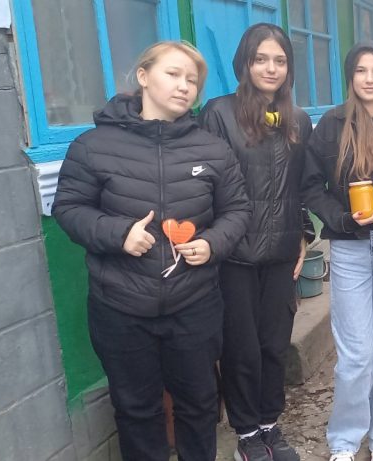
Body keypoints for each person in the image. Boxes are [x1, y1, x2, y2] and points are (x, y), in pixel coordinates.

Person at [52, 41, 250, 461]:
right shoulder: (94, 146)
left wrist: (212, 243)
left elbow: (237, 209)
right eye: (173, 74)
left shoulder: (212, 148)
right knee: (136, 409)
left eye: (192, 80)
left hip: (194, 303)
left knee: (198, 404)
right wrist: (118, 233)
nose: (184, 87)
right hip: (120, 307)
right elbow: (68, 208)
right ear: (143, 77)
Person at [197, 23, 312, 461]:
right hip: (235, 256)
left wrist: (304, 234)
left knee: (274, 344)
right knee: (241, 347)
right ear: (245, 63)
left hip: (281, 254)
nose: (271, 68)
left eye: (280, 60)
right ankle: (246, 433)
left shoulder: (297, 120)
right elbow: (206, 186)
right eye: (261, 59)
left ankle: (270, 425)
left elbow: (301, 187)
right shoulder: (219, 113)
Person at [302, 42, 373, 461]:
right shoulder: (332, 125)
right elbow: (311, 186)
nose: (369, 78)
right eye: (361, 71)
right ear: (351, 77)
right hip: (351, 249)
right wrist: (343, 219)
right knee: (355, 354)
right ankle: (345, 441)